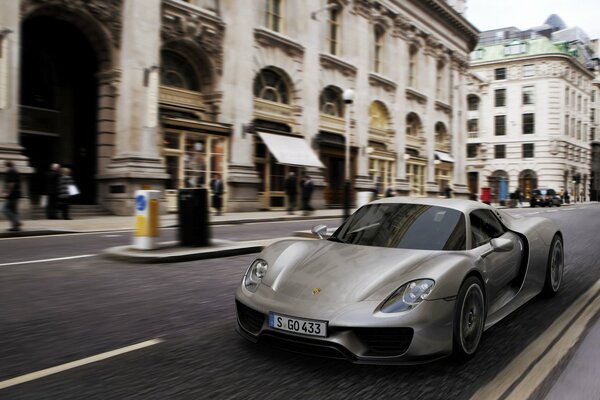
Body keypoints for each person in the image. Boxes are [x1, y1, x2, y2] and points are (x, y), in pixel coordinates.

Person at [3, 161, 22, 232]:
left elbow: (12, 183)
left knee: (5, 209)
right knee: (14, 210)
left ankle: (16, 222)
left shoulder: (10, 171)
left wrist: (8, 193)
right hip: (17, 194)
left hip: (12, 194)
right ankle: (15, 227)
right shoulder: (15, 171)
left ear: (7, 165)